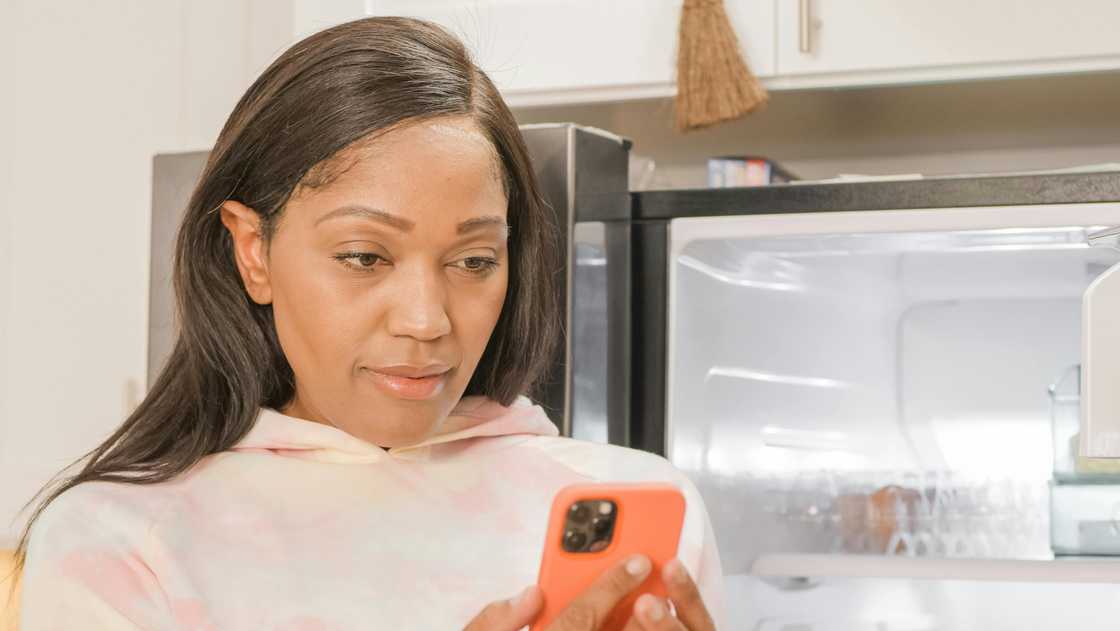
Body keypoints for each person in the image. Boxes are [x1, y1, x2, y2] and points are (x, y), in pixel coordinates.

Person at [12, 16, 725, 630]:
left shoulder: (640, 509)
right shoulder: (119, 541)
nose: (426, 321)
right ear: (253, 250)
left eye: (473, 261)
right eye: (364, 256)